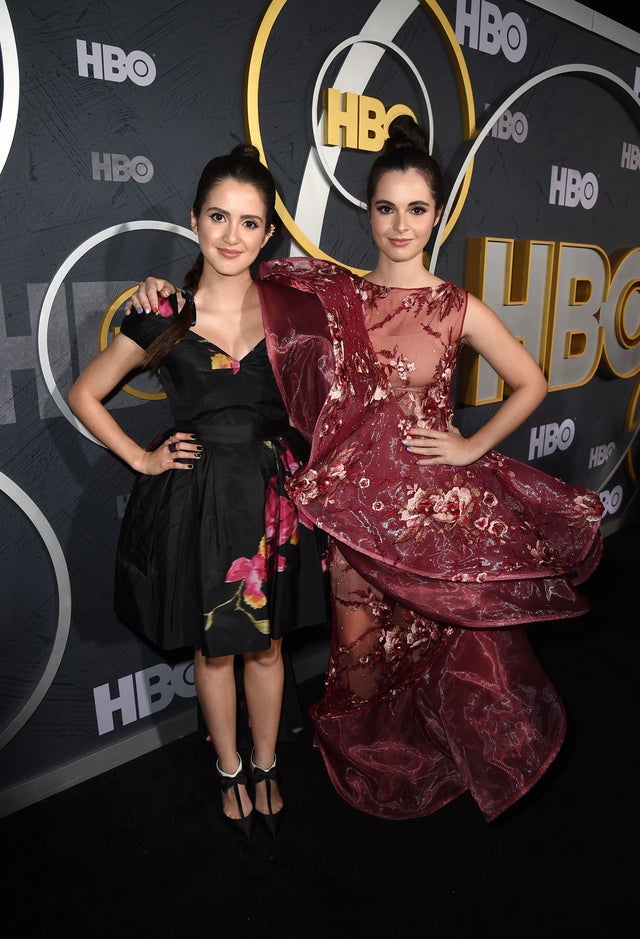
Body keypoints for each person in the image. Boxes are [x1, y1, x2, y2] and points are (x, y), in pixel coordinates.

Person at [129, 115, 603, 823]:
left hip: (434, 514)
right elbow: (237, 280)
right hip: (353, 517)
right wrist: (157, 294)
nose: (400, 225)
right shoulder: (330, 297)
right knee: (362, 657)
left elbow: (530, 382)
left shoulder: (455, 306)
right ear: (368, 212)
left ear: (437, 214)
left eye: (416, 209)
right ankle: (376, 760)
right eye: (386, 208)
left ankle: (441, 747)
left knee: (447, 646)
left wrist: (469, 447)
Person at [67, 144, 327, 840]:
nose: (232, 236)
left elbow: (326, 405)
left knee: (267, 647)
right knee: (214, 651)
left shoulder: (292, 313)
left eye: (249, 222)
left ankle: (267, 762)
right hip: (200, 501)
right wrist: (143, 459)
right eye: (219, 217)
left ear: (268, 232)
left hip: (273, 502)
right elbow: (85, 393)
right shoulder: (165, 314)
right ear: (195, 219)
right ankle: (228, 767)